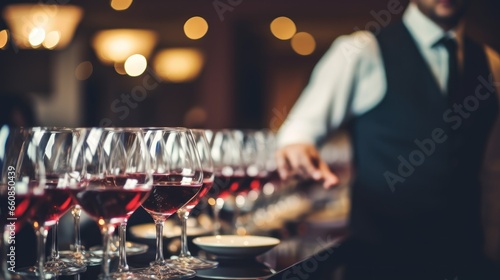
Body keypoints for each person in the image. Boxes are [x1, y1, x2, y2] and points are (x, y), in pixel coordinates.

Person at [276, 0, 500, 279]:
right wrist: (297, 146)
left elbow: (492, 172)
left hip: (468, 259)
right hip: (379, 261)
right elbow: (299, 129)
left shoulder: (492, 63)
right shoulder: (361, 50)